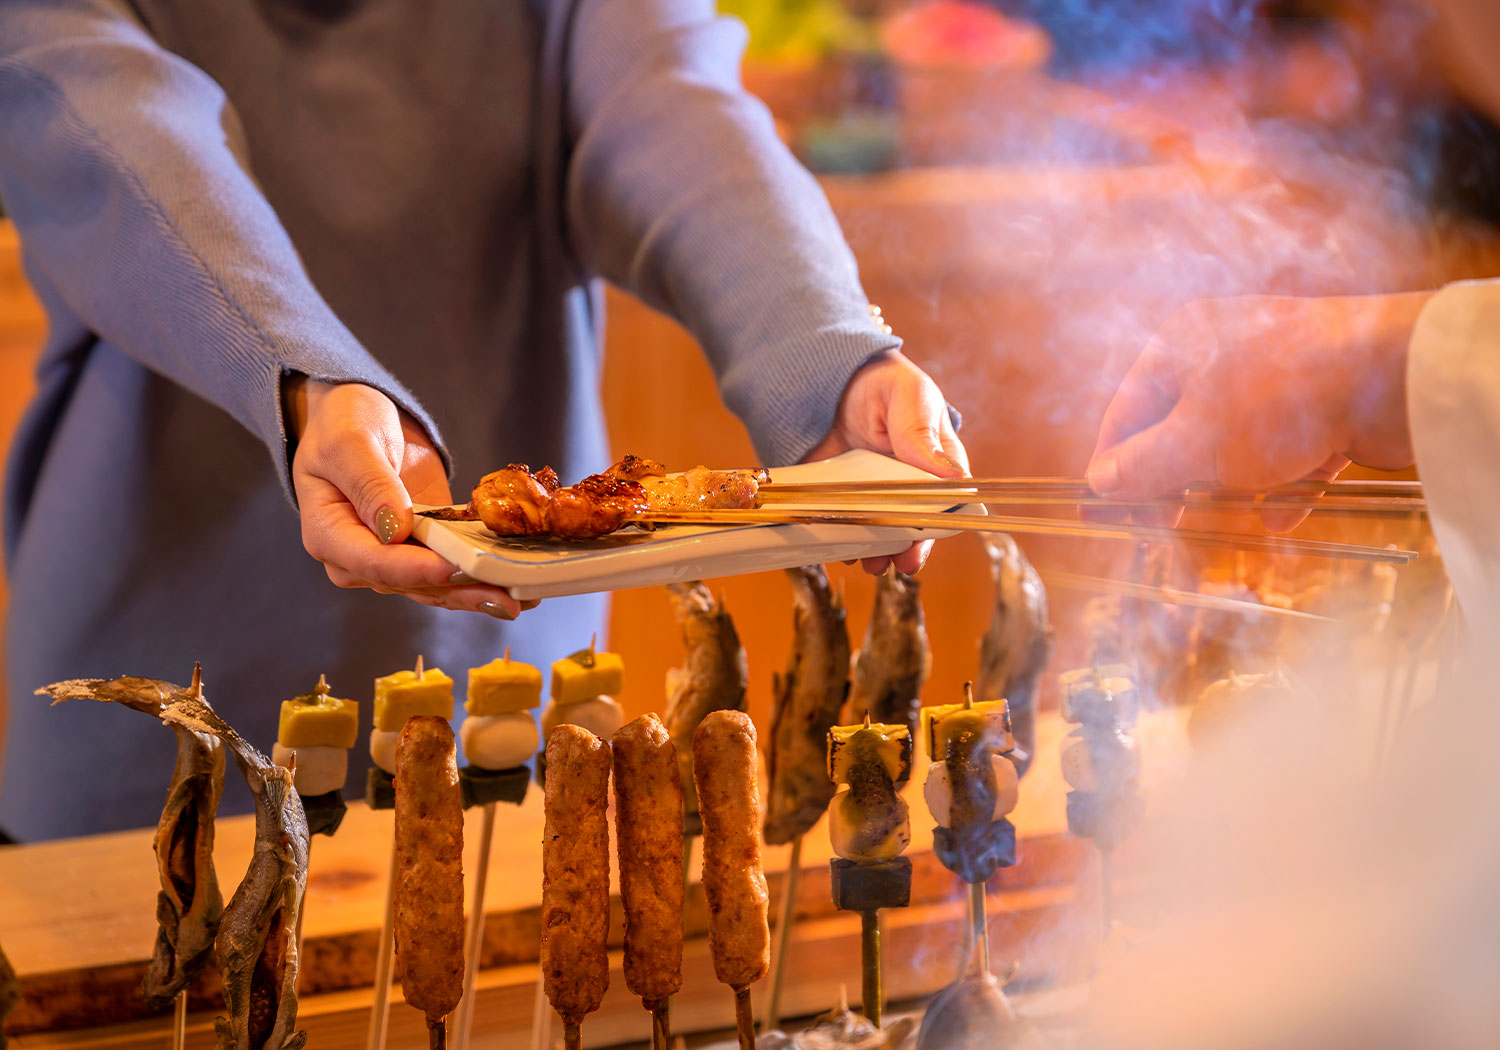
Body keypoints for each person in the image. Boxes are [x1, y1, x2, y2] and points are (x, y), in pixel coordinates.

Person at [0, 0, 968, 841]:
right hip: (152, 692)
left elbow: (674, 112)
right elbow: (111, 128)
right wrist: (299, 377)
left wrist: (828, 354)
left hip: (500, 670)